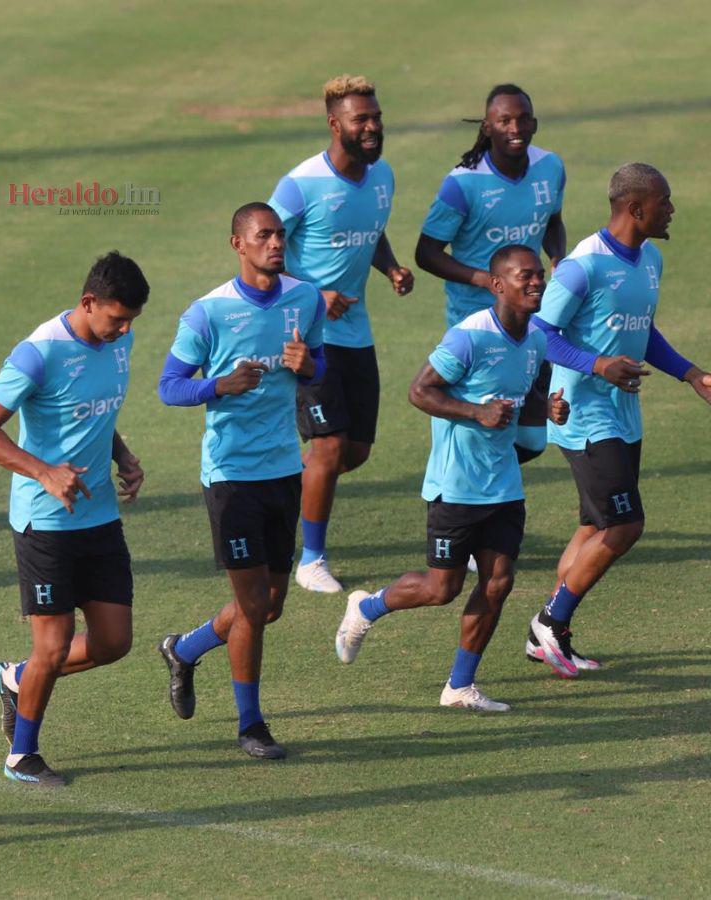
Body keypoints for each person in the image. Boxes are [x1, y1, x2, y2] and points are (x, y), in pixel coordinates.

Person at [334, 245, 568, 711]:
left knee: (499, 582)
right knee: (442, 588)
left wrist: (550, 409)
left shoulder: (536, 340)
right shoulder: (469, 337)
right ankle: (366, 608)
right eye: (526, 276)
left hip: (502, 484)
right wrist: (475, 411)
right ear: (498, 285)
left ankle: (460, 686)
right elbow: (419, 391)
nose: (537, 282)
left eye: (540, 274)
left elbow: (526, 396)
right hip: (456, 484)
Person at [0, 251, 148, 787]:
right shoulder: (38, 353)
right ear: (88, 302)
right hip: (44, 522)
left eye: (131, 320)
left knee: (114, 642)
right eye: (116, 317)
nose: (124, 329)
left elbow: (95, 411)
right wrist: (43, 472)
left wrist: (123, 456)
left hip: (98, 516)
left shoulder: (120, 341)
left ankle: (15, 679)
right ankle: (22, 756)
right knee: (53, 643)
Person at [525, 163, 711, 676]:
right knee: (625, 524)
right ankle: (548, 621)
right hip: (583, 414)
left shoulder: (649, 259)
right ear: (635, 208)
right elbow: (540, 334)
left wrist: (692, 374)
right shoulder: (582, 267)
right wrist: (598, 364)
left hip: (623, 414)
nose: (672, 209)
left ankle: (548, 635)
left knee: (595, 525)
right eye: (664, 202)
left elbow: (642, 330)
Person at [156, 203, 325, 759]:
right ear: (238, 244)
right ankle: (250, 725)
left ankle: (185, 648)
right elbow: (170, 386)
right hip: (230, 476)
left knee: (271, 604)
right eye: (264, 235)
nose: (276, 243)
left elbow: (319, 363)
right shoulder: (208, 313)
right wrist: (218, 387)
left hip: (283, 470)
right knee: (253, 606)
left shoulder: (304, 298)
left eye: (280, 234)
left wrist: (309, 367)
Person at [267, 74, 413, 594]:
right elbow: (261, 250)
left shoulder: (382, 178)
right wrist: (313, 295)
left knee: (354, 452)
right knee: (328, 445)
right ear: (335, 125)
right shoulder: (300, 185)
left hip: (357, 333)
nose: (372, 126)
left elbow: (369, 230)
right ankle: (309, 559)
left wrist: (391, 267)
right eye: (361, 119)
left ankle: (281, 487)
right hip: (306, 338)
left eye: (376, 117)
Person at [416, 84, 567, 466]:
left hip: (529, 319)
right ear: (487, 127)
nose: (514, 127)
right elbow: (426, 253)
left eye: (522, 119)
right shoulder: (463, 184)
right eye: (504, 120)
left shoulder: (550, 168)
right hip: (476, 323)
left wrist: (557, 257)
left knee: (533, 439)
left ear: (534, 123)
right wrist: (485, 280)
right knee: (483, 430)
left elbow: (552, 220)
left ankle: (481, 495)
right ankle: (456, 496)